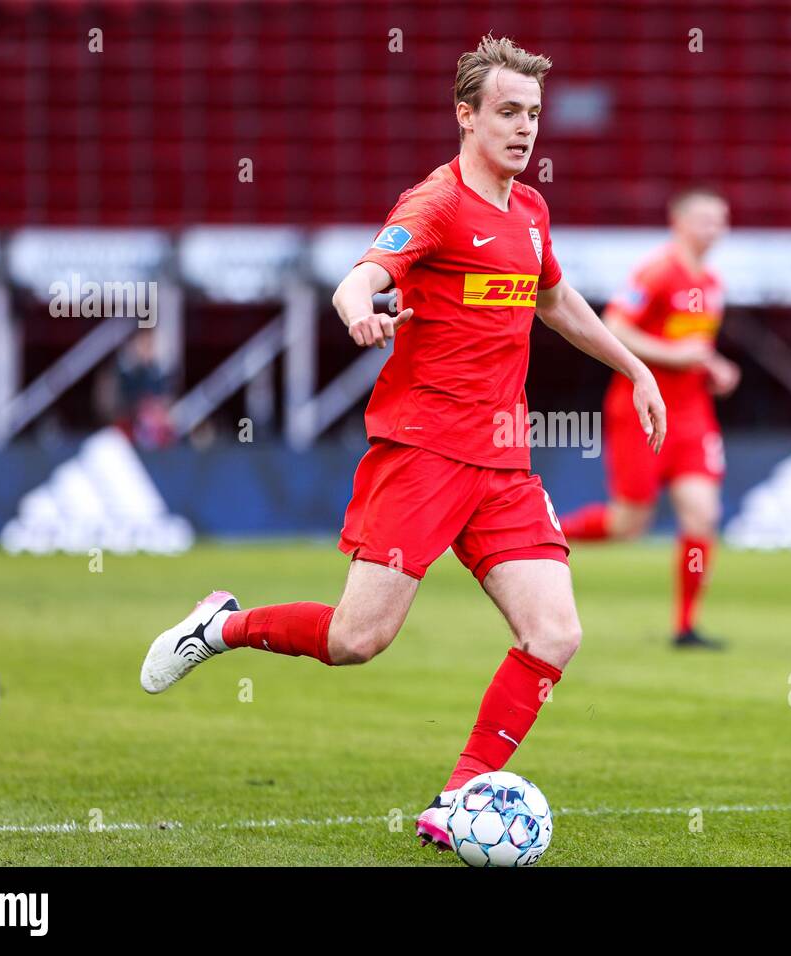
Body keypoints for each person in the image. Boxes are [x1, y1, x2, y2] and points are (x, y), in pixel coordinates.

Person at [138, 34, 667, 853]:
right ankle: (223, 625)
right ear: (466, 116)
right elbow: (366, 272)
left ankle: (456, 802)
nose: (524, 130)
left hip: (504, 462)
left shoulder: (530, 213)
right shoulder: (435, 203)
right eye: (507, 113)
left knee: (556, 633)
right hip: (420, 453)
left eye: (533, 114)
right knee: (357, 641)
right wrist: (359, 307)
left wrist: (635, 367)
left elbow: (556, 303)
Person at [558, 188, 739, 648]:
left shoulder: (712, 283)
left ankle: (685, 626)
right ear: (678, 222)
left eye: (720, 220)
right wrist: (675, 355)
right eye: (703, 219)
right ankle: (544, 534)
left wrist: (712, 366)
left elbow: (693, 345)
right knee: (628, 526)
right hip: (642, 410)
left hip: (694, 415)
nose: (712, 229)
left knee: (702, 515)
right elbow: (613, 326)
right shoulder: (657, 273)